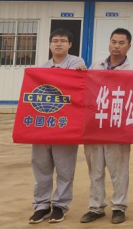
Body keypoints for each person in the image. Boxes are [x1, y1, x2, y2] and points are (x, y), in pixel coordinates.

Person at [28, 28, 87, 225]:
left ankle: (60, 205)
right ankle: (42, 205)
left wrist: (80, 75)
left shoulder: (77, 63)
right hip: (44, 124)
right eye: (55, 40)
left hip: (65, 125)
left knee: (64, 168)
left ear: (70, 44)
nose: (58, 43)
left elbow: (75, 88)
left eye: (63, 40)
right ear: (50, 44)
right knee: (41, 166)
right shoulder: (42, 68)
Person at [80, 28, 133, 225]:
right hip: (94, 125)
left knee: (119, 170)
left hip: (117, 127)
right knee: (95, 169)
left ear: (129, 46)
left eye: (121, 43)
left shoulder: (131, 71)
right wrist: (80, 75)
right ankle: (96, 207)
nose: (116, 46)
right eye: (113, 42)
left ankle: (119, 207)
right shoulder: (96, 64)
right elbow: (85, 88)